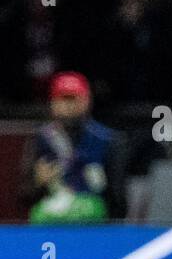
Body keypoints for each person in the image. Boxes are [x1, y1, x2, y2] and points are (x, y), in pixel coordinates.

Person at [23, 72, 123, 222]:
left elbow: (118, 197)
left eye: (73, 99)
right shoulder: (41, 139)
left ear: (86, 101)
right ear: (53, 103)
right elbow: (24, 194)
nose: (69, 106)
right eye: (63, 99)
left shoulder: (106, 139)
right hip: (51, 215)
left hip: (95, 219)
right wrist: (38, 182)